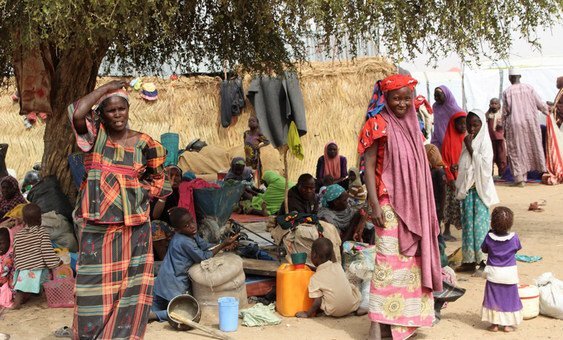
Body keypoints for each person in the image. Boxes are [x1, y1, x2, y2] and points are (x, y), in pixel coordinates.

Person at [69, 80, 172, 339]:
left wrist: (140, 193)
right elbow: (77, 112)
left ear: (128, 110)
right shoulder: (95, 138)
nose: (117, 115)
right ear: (102, 113)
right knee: (90, 290)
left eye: (121, 109)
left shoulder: (145, 143)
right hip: (97, 227)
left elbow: (161, 179)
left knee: (131, 290)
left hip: (133, 229)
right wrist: (107, 88)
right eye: (111, 110)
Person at [359, 74, 442, 340]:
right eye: (396, 98)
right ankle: (377, 322)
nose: (402, 103)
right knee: (386, 262)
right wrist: (373, 204)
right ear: (386, 98)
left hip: (414, 203)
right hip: (388, 203)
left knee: (410, 265)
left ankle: (403, 322)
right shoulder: (378, 124)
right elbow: (369, 166)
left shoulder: (413, 125)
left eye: (407, 98)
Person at [150, 207, 238, 321]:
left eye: (192, 221)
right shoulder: (184, 241)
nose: (192, 226)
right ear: (177, 230)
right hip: (174, 282)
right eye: (186, 225)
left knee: (156, 305)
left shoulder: (191, 234)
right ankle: (154, 316)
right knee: (182, 312)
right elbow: (203, 256)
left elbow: (205, 246)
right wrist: (222, 245)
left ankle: (150, 314)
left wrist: (224, 244)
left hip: (163, 279)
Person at [455, 109, 499, 274]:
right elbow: (465, 164)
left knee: (480, 226)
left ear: (482, 125)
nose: (472, 128)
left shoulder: (484, 143)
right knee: (468, 225)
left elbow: (486, 168)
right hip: (468, 190)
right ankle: (468, 260)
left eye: (476, 125)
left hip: (480, 191)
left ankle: (482, 260)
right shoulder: (467, 141)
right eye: (469, 125)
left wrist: (471, 148)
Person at [502, 69, 548, 186]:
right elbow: (540, 104)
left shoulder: (507, 91)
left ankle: (520, 179)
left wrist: (503, 126)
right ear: (520, 76)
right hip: (530, 122)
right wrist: (548, 112)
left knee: (516, 150)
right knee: (529, 147)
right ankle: (528, 175)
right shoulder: (529, 88)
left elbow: (505, 112)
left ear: (509, 78)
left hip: (515, 124)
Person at [481, 206, 523, 333]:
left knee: (493, 297)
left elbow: (484, 249)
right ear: (510, 224)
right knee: (509, 298)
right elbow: (517, 248)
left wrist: (490, 233)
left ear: (492, 223)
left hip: (494, 273)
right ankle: (507, 325)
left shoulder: (489, 237)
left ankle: (494, 324)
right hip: (509, 274)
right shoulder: (514, 238)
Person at [296, 238, 361, 318]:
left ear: (314, 255)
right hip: (352, 306)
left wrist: (307, 314)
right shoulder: (338, 266)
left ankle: (324, 311)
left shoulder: (315, 278)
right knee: (349, 285)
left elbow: (317, 302)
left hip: (335, 311)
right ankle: (358, 308)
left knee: (318, 293)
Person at [12, 204, 61, 309]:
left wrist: (20, 265)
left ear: (24, 220)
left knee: (20, 289)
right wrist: (56, 262)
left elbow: (15, 253)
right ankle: (48, 298)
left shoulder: (18, 235)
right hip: (38, 269)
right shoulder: (42, 233)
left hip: (23, 269)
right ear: (40, 219)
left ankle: (16, 303)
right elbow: (47, 252)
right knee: (46, 281)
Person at [441, 111, 467, 241]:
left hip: (464, 177)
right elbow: (445, 161)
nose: (463, 126)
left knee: (463, 206)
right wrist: (450, 177)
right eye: (460, 124)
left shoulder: (467, 138)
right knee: (449, 205)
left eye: (465, 124)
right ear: (453, 124)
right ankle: (446, 230)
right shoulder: (448, 139)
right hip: (452, 179)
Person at [150, 165, 182, 261]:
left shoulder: (185, 192)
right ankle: (165, 262)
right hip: (164, 234)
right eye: (170, 175)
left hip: (182, 230)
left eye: (177, 175)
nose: (174, 178)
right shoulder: (157, 192)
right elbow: (155, 216)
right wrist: (166, 191)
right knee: (155, 226)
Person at [431, 85, 463, 150]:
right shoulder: (435, 106)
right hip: (437, 140)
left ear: (445, 95)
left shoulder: (454, 109)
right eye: (435, 96)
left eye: (438, 95)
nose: (436, 98)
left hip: (451, 142)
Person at [486, 98, 507, 176]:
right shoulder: (489, 115)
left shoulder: (501, 114)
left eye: (496, 104)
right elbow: (484, 119)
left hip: (500, 139)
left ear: (499, 106)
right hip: (490, 139)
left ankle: (502, 174)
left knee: (501, 158)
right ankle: (489, 175)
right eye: (492, 104)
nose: (494, 105)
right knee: (491, 157)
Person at [0, 227, 15, 308]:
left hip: (14, 290)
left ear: (10, 241)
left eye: (1, 243)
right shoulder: (4, 254)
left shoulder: (9, 256)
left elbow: (3, 278)